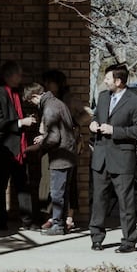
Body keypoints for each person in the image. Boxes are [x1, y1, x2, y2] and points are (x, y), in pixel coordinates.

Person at [88, 64, 137, 253]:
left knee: (125, 202)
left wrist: (115, 131)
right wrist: (93, 124)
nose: (104, 81)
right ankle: (96, 237)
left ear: (118, 81)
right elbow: (96, 116)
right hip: (101, 157)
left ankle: (128, 240)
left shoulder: (136, 102)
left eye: (108, 78)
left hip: (122, 159)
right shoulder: (103, 97)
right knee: (98, 200)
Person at [0, 61, 37, 230]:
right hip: (3, 148)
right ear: (9, 75)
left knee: (23, 184)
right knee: (0, 185)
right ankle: (2, 221)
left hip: (19, 147)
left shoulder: (15, 93)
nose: (21, 78)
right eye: (19, 75)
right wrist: (21, 122)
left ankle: (27, 221)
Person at [23, 82, 76, 236]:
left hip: (59, 156)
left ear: (34, 96)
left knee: (56, 193)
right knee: (63, 192)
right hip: (68, 154)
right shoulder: (58, 103)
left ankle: (58, 225)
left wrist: (39, 145)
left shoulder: (49, 108)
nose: (32, 104)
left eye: (31, 101)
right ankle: (62, 224)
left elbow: (54, 137)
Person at [41, 69, 88, 232]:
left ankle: (68, 216)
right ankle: (54, 216)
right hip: (54, 145)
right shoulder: (50, 100)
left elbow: (88, 113)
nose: (46, 86)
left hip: (67, 146)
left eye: (49, 82)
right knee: (52, 183)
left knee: (69, 183)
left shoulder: (68, 99)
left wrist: (73, 124)